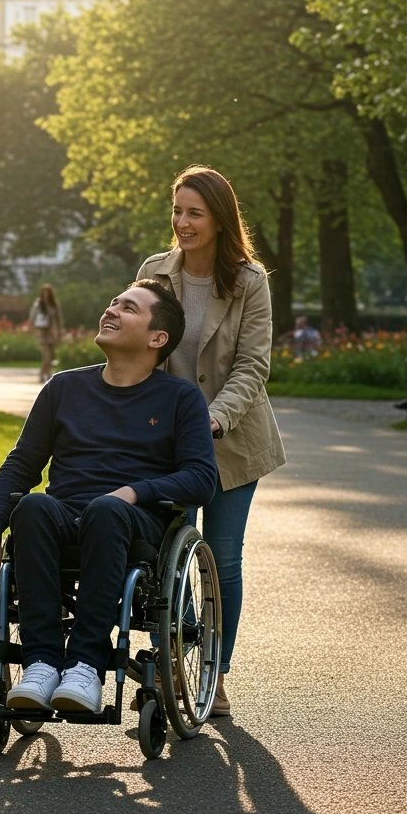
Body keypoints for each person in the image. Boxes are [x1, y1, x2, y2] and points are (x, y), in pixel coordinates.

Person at [0, 280, 217, 714]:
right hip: (65, 514)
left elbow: (201, 478)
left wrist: (136, 492)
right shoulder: (63, 388)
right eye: (113, 302)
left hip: (136, 521)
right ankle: (42, 664)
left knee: (107, 509)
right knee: (33, 506)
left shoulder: (181, 398)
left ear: (157, 339)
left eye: (129, 308)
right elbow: (20, 466)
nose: (112, 310)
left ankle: (86, 665)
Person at [137, 165, 286, 718]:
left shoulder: (250, 282)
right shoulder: (156, 271)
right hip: (165, 439)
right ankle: (171, 669)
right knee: (167, 563)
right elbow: (139, 344)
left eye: (194, 213)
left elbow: (252, 366)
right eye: (177, 211)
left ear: (221, 220)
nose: (182, 223)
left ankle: (214, 674)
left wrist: (214, 419)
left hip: (232, 435)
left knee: (222, 560)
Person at [30, 283, 63, 383]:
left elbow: (58, 319)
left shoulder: (54, 305)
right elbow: (32, 318)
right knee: (46, 356)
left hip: (51, 333)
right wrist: (34, 331)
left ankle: (46, 374)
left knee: (51, 355)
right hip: (42, 332)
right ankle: (44, 375)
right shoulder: (39, 304)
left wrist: (59, 331)